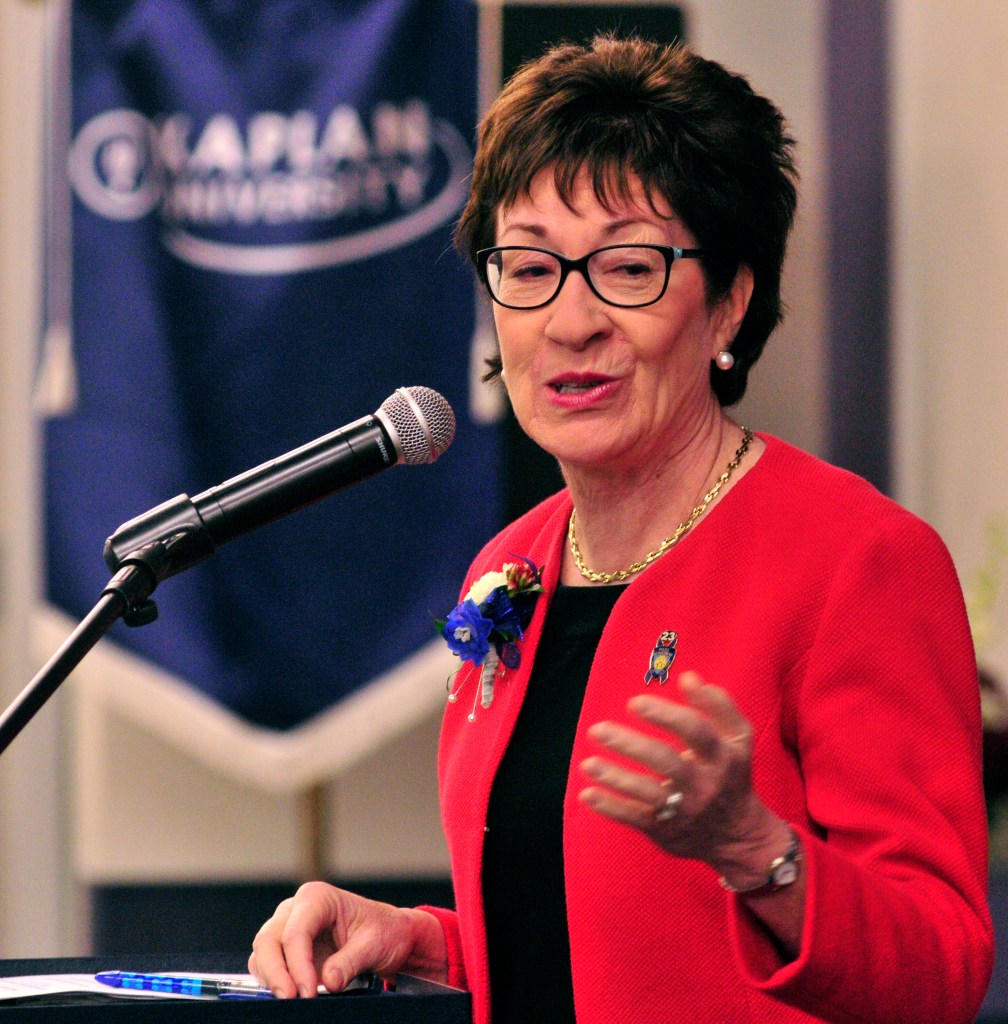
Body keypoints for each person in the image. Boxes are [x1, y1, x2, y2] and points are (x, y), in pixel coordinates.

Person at [248, 36, 993, 1024]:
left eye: (628, 267)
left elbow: (940, 972)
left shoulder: (857, 560)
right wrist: (429, 940)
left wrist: (759, 854)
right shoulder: (508, 567)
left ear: (729, 301)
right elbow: (604, 938)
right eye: (529, 265)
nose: (571, 318)